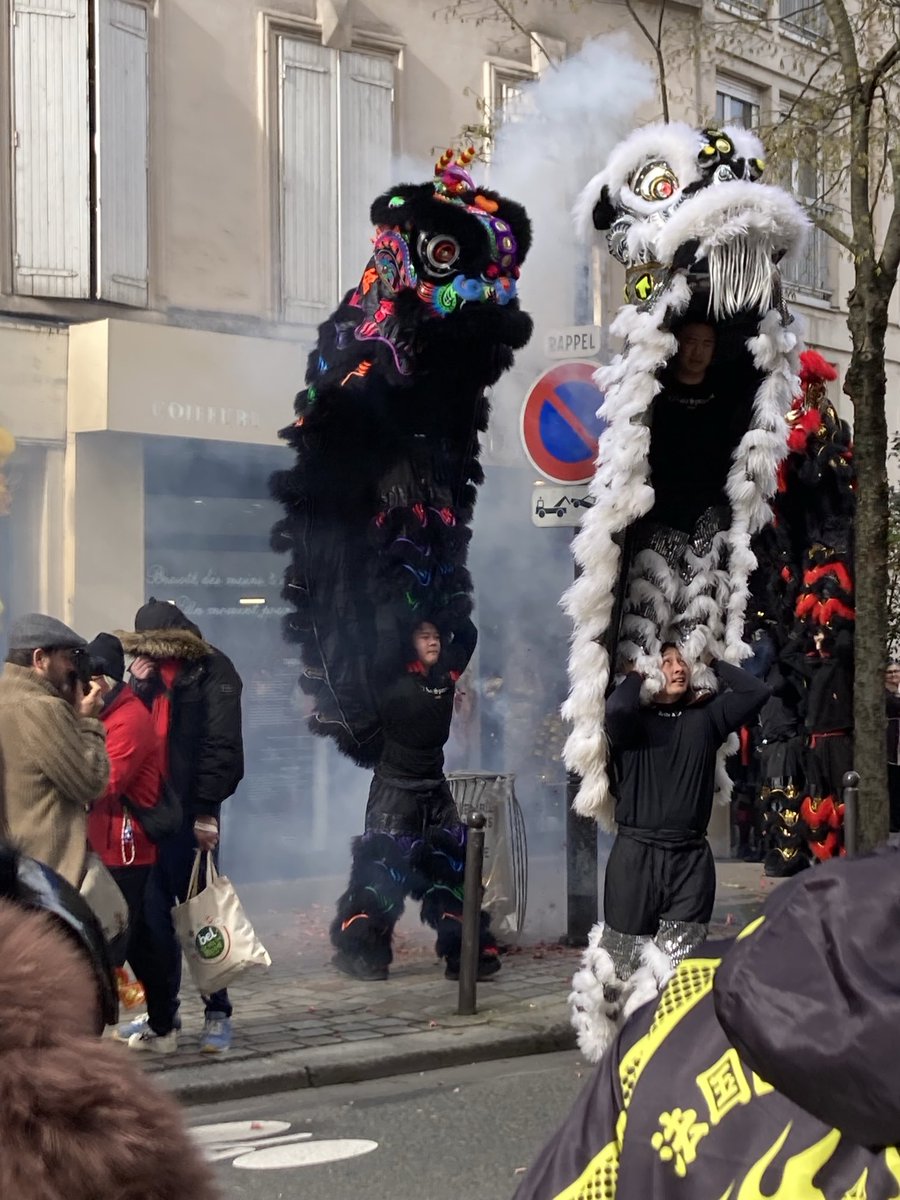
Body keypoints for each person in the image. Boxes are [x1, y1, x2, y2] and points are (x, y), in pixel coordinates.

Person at [515, 848, 900, 1200]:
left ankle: (606, 1029)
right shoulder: (683, 1003)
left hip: (666, 888)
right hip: (661, 867)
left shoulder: (679, 1012)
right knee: (628, 966)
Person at [570, 644, 769, 1060]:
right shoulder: (633, 722)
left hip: (690, 861)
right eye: (668, 662)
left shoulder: (708, 718)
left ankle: (667, 1052)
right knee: (618, 963)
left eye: (683, 662)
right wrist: (636, 674)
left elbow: (755, 692)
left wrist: (713, 661)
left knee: (678, 964)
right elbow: (617, 709)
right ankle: (608, 1049)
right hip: (635, 857)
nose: (678, 669)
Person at [0, 841, 218, 1200]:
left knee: (152, 936)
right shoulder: (89, 1119)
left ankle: (176, 1019)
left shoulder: (68, 1112)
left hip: (115, 858)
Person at [330, 616, 500, 982]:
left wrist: (444, 601)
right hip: (394, 792)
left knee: (451, 871)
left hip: (435, 789)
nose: (433, 642)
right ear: (409, 643)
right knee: (382, 874)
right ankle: (368, 956)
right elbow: (375, 643)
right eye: (424, 636)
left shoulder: (445, 674)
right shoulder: (388, 676)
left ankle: (466, 955)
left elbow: (468, 632)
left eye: (436, 636)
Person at [116, 599, 244, 1054]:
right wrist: (136, 686)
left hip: (191, 814)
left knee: (202, 917)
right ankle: (162, 1015)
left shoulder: (213, 670)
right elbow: (128, 732)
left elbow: (222, 746)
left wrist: (207, 811)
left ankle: (218, 1012)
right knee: (151, 923)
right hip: (150, 815)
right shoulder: (145, 678)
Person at [84, 632, 176, 1054]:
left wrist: (82, 725)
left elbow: (105, 782)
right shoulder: (108, 713)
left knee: (113, 940)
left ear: (102, 681)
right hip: (105, 845)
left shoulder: (129, 719)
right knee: (136, 940)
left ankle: (99, 1031)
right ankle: (162, 1021)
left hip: (127, 848)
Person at [0, 613, 109, 886]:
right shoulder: (44, 708)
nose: (73, 667)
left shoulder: (7, 698)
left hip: (16, 867)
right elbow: (90, 782)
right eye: (68, 658)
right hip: (50, 869)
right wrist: (89, 722)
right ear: (40, 659)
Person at [887, 664, 900, 834]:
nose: (892, 674)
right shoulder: (885, 693)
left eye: (896, 671)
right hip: (892, 746)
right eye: (889, 672)